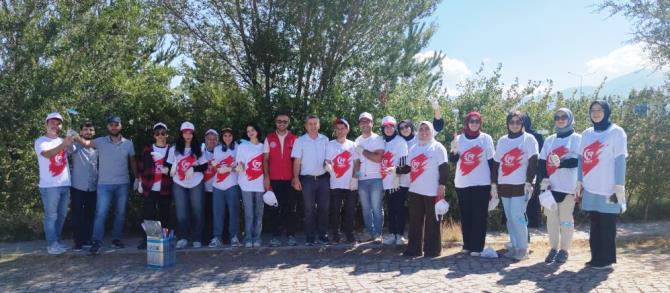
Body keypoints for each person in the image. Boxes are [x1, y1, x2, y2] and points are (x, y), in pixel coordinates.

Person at [577, 101, 627, 270]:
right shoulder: (586, 133)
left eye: (599, 110)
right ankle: (595, 257)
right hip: (591, 186)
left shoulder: (616, 132)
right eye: (593, 110)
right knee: (595, 223)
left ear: (606, 112)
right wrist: (579, 181)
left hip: (610, 188)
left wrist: (619, 186)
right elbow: (581, 159)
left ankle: (606, 260)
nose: (596, 113)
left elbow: (620, 160)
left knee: (607, 224)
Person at [80, 115, 139, 255]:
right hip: (104, 185)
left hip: (123, 184)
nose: (114, 127)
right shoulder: (100, 141)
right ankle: (96, 242)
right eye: (111, 125)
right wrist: (75, 137)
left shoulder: (128, 143)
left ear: (120, 126)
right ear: (108, 127)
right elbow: (86, 144)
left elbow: (133, 161)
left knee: (120, 213)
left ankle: (116, 239)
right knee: (101, 213)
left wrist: (138, 177)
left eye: (116, 124)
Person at [397, 121, 449, 257]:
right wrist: (395, 170)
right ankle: (414, 249)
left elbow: (444, 168)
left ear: (431, 131)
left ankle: (432, 250)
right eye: (421, 129)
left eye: (427, 129)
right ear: (418, 132)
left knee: (433, 222)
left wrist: (442, 186)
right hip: (415, 190)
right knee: (415, 221)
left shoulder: (438, 147)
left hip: (432, 190)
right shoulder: (414, 148)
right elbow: (408, 167)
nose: (424, 131)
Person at [448, 112, 496, 256]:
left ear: (480, 123)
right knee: (466, 215)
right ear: (467, 122)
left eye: (477, 121)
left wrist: (494, 183)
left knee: (479, 216)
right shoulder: (459, 139)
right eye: (471, 121)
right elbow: (453, 160)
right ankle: (467, 245)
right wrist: (454, 150)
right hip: (463, 183)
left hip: (482, 182)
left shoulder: (486, 138)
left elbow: (492, 162)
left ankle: (477, 247)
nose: (474, 124)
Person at [493, 111, 539, 260]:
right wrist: (494, 184)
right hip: (505, 183)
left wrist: (529, 181)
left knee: (517, 216)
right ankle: (514, 245)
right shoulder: (503, 140)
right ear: (508, 123)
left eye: (518, 122)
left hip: (521, 185)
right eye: (511, 122)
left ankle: (523, 248)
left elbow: (533, 161)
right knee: (509, 218)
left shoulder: (529, 139)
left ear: (522, 124)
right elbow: (496, 162)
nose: (514, 125)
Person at [538, 108, 581, 263]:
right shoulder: (550, 139)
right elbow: (542, 162)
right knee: (551, 221)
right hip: (551, 187)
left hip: (569, 187)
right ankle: (553, 248)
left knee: (566, 220)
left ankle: (564, 250)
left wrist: (561, 162)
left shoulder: (577, 138)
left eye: (564, 117)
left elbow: (579, 160)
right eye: (557, 117)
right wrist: (543, 181)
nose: (560, 120)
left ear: (569, 119)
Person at [35, 112, 74, 254]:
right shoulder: (41, 141)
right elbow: (47, 154)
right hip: (49, 186)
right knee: (51, 216)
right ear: (46, 124)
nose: (55, 125)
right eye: (52, 122)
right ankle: (51, 245)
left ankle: (57, 242)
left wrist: (71, 141)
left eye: (58, 123)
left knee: (62, 215)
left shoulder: (62, 140)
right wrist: (64, 143)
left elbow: (72, 152)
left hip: (65, 184)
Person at [165, 122, 209, 249]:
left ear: (193, 134)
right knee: (181, 212)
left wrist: (194, 169)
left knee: (198, 211)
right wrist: (167, 170)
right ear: (181, 133)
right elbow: (168, 164)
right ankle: (183, 237)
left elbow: (205, 166)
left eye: (190, 132)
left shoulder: (199, 148)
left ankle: (197, 238)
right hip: (179, 183)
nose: (188, 135)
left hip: (196, 182)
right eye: (185, 132)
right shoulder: (174, 149)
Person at [291, 115, 330, 245]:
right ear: (306, 126)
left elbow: (329, 159)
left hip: (324, 178)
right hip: (307, 180)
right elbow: (296, 162)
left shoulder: (325, 139)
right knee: (309, 209)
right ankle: (310, 237)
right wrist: (295, 178)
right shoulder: (300, 141)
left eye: (315, 124)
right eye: (310, 124)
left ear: (319, 125)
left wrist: (328, 164)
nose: (313, 126)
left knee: (324, 208)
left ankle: (323, 235)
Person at [263, 113, 298, 247]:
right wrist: (266, 177)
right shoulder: (269, 138)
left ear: (288, 123)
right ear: (275, 122)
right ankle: (276, 237)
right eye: (279, 121)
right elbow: (265, 159)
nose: (281, 123)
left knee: (290, 209)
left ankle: (291, 236)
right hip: (274, 179)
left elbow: (297, 160)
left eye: (284, 121)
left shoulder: (294, 139)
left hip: (290, 179)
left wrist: (296, 178)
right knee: (274, 209)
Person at [136, 122, 173, 250]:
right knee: (148, 214)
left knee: (164, 214)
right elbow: (141, 166)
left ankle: (164, 239)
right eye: (157, 133)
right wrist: (140, 182)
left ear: (166, 135)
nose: (160, 136)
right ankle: (150, 240)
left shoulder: (171, 149)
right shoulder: (147, 149)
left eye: (163, 133)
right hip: (149, 186)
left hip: (165, 187)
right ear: (154, 135)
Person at [353, 112, 385, 243]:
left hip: (376, 179)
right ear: (359, 124)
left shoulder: (378, 139)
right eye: (362, 121)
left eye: (367, 121)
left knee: (376, 208)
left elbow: (378, 158)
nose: (365, 123)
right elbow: (357, 163)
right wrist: (355, 178)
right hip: (362, 180)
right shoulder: (357, 141)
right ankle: (370, 232)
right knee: (366, 209)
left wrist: (364, 151)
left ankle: (378, 233)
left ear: (372, 123)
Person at [325, 118, 358, 244]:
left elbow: (356, 163)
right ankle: (336, 235)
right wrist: (327, 167)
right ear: (335, 130)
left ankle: (349, 234)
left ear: (347, 130)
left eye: (342, 128)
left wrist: (355, 177)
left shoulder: (353, 145)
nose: (340, 131)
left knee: (350, 210)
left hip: (350, 183)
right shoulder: (330, 144)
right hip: (335, 183)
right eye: (338, 129)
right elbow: (327, 161)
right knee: (335, 210)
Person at [209, 128, 242, 248]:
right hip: (217, 185)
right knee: (217, 213)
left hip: (232, 184)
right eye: (225, 136)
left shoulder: (238, 148)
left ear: (233, 136)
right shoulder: (217, 148)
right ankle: (217, 238)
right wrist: (218, 167)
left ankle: (234, 237)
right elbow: (215, 165)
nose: (227, 138)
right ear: (222, 137)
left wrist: (230, 169)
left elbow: (240, 166)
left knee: (233, 212)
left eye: (229, 135)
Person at [68, 121, 98, 251]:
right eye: (85, 130)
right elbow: (68, 149)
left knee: (90, 214)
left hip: (93, 186)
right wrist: (69, 137)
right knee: (77, 214)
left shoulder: (97, 145)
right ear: (81, 132)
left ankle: (87, 239)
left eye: (91, 130)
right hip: (78, 186)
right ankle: (78, 241)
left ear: (94, 132)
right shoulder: (75, 145)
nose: (88, 132)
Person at [379, 116, 409, 245]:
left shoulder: (400, 141)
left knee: (399, 208)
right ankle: (392, 233)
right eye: (386, 126)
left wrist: (397, 177)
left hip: (399, 181)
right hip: (386, 181)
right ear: (383, 128)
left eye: (391, 126)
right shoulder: (381, 141)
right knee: (390, 208)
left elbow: (403, 162)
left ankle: (400, 235)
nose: (389, 129)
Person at [236, 123, 266, 248]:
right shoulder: (242, 146)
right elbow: (240, 161)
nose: (250, 132)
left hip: (260, 184)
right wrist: (240, 166)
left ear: (257, 131)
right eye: (248, 131)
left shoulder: (264, 146)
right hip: (246, 183)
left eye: (252, 130)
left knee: (259, 212)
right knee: (248, 213)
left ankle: (257, 238)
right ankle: (248, 238)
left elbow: (266, 164)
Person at [522, 114, 545, 230]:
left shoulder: (536, 136)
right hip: (515, 175)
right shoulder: (511, 136)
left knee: (530, 204)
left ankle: (526, 236)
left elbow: (539, 158)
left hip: (533, 175)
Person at [201, 129, 219, 244]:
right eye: (209, 139)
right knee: (205, 214)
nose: (211, 141)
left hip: (218, 189)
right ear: (205, 140)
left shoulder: (221, 151)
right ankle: (205, 238)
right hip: (203, 189)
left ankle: (219, 237)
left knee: (217, 214)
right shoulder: (200, 151)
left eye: (214, 139)